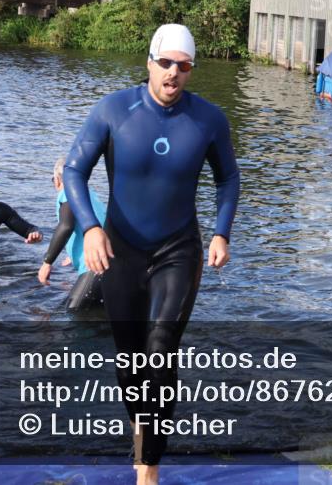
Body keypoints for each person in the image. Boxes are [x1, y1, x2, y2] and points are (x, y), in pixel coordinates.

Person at [63, 24, 239, 484]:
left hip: (178, 249)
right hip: (120, 250)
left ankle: (149, 469)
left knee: (159, 349)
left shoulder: (208, 119)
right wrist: (90, 228)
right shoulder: (113, 109)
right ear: (149, 62)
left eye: (184, 66)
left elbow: (228, 178)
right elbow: (75, 169)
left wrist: (221, 233)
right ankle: (142, 426)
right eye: (166, 63)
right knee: (129, 362)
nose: (174, 73)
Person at [38, 158, 108, 311]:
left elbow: (66, 226)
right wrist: (73, 252)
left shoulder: (68, 192)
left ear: (57, 180)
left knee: (74, 313)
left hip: (96, 265)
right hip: (113, 264)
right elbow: (100, 225)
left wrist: (47, 263)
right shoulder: (91, 195)